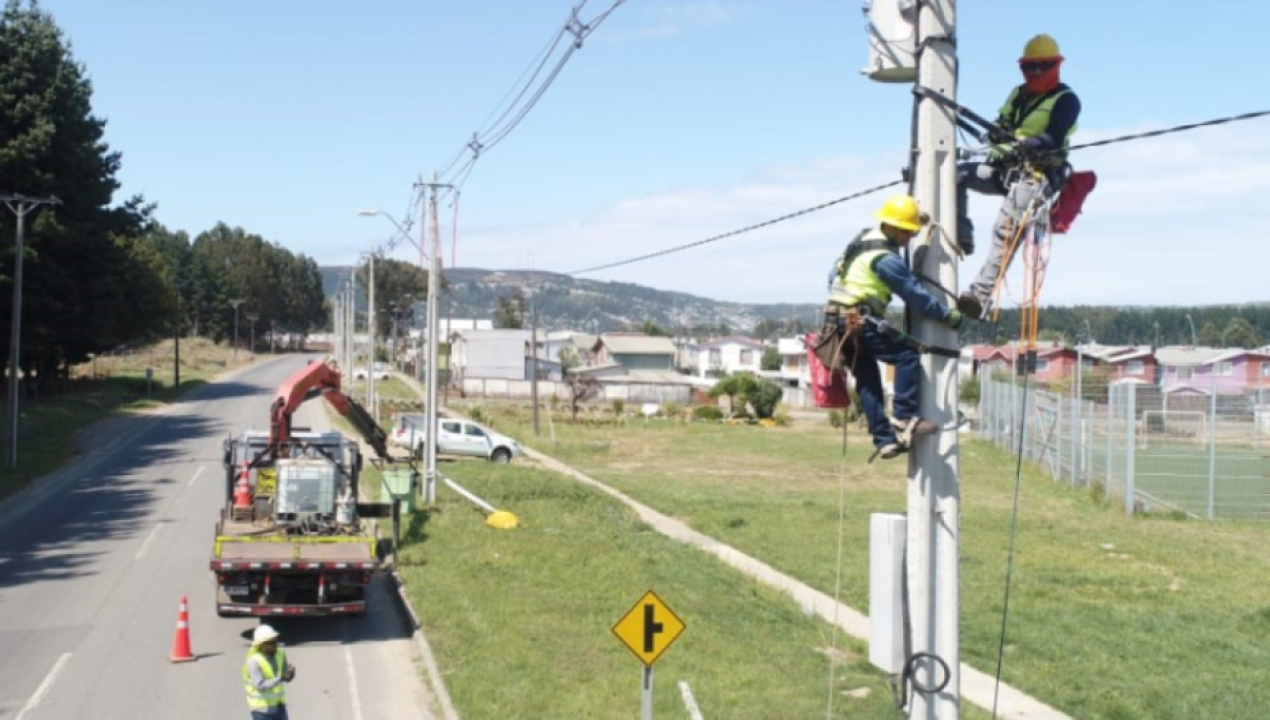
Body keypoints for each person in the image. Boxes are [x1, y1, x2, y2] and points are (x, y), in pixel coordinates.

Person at [825, 194, 963, 459]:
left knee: (867, 381)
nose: (908, 238)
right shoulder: (886, 260)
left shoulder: (862, 238)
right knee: (906, 355)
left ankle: (884, 440)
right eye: (905, 232)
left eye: (911, 232)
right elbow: (914, 295)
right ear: (889, 226)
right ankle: (905, 416)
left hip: (837, 323)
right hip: (860, 321)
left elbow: (833, 276)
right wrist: (947, 316)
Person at [956, 33, 1082, 319]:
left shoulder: (1066, 100)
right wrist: (997, 136)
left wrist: (1023, 145)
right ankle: (962, 235)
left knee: (1006, 229)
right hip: (1006, 169)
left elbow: (1053, 137)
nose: (1035, 73)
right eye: (1030, 67)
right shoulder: (1018, 95)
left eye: (1042, 66)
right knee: (955, 174)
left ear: (1055, 66)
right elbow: (1002, 122)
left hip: (1037, 174)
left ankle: (980, 294)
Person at [243, 624, 296, 719]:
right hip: (261, 710)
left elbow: (284, 675)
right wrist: (280, 679)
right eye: (271, 643)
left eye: (275, 641)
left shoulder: (280, 654)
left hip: (278, 707)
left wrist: (289, 675)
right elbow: (259, 685)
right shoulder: (255, 661)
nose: (275, 644)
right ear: (262, 645)